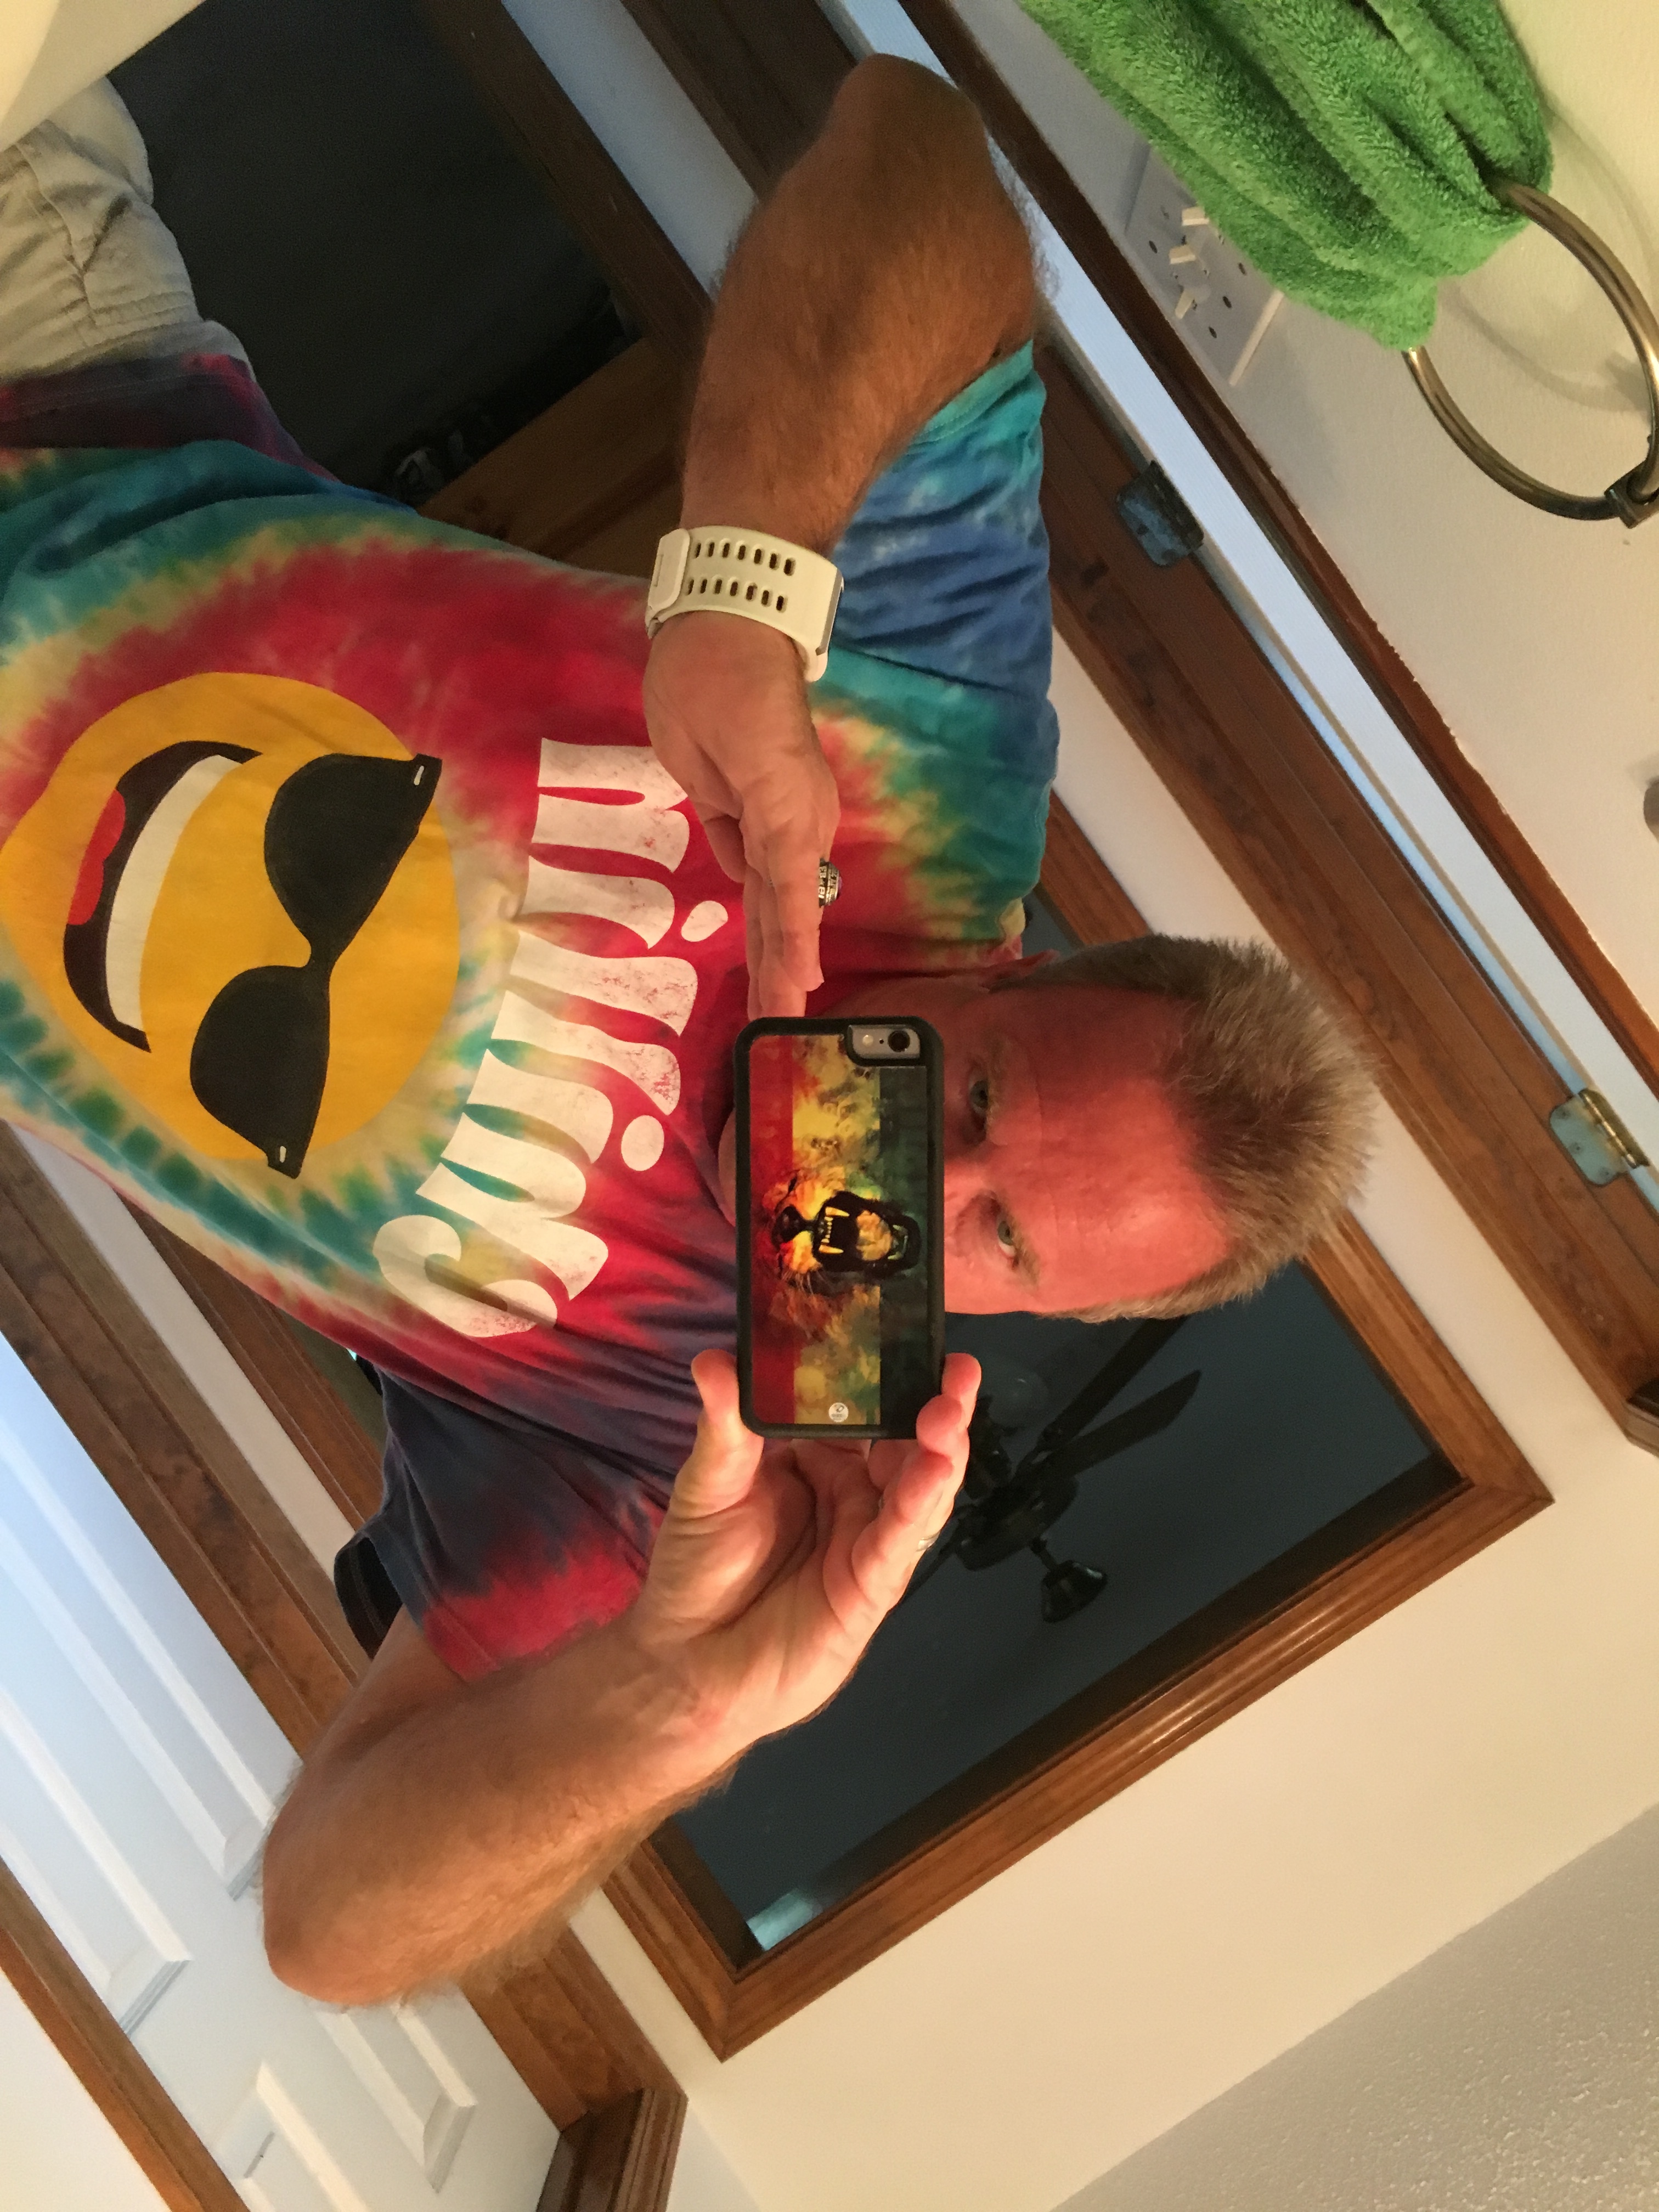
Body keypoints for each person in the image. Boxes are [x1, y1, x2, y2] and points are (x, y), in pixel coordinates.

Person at [0, 60, 1372, 2004]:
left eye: (993, 1234)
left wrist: (679, 1701)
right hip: (48, 376)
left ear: (1017, 1320)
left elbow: (329, 1927)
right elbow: (918, 158)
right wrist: (746, 583)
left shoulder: (698, 1443)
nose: (915, 1171)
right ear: (1008, 969)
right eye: (979, 1092)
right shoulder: (924, 776)